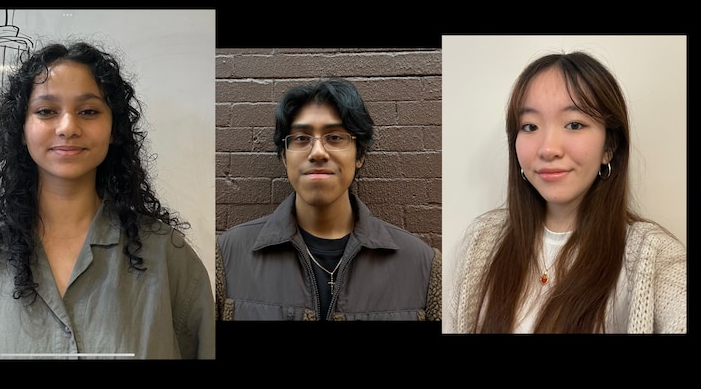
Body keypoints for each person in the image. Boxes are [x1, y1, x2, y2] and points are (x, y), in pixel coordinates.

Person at [0, 41, 216, 358]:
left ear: (114, 128)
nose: (68, 127)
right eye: (46, 111)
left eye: (88, 111)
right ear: (21, 128)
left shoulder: (169, 259)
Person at [445, 51, 686, 334]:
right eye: (530, 126)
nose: (548, 148)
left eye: (574, 124)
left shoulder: (655, 260)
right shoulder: (481, 243)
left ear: (609, 147)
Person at [215, 77, 441, 321]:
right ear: (284, 156)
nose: (318, 152)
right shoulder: (228, 257)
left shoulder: (420, 265)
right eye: (301, 138)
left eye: (334, 137)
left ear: (359, 155)